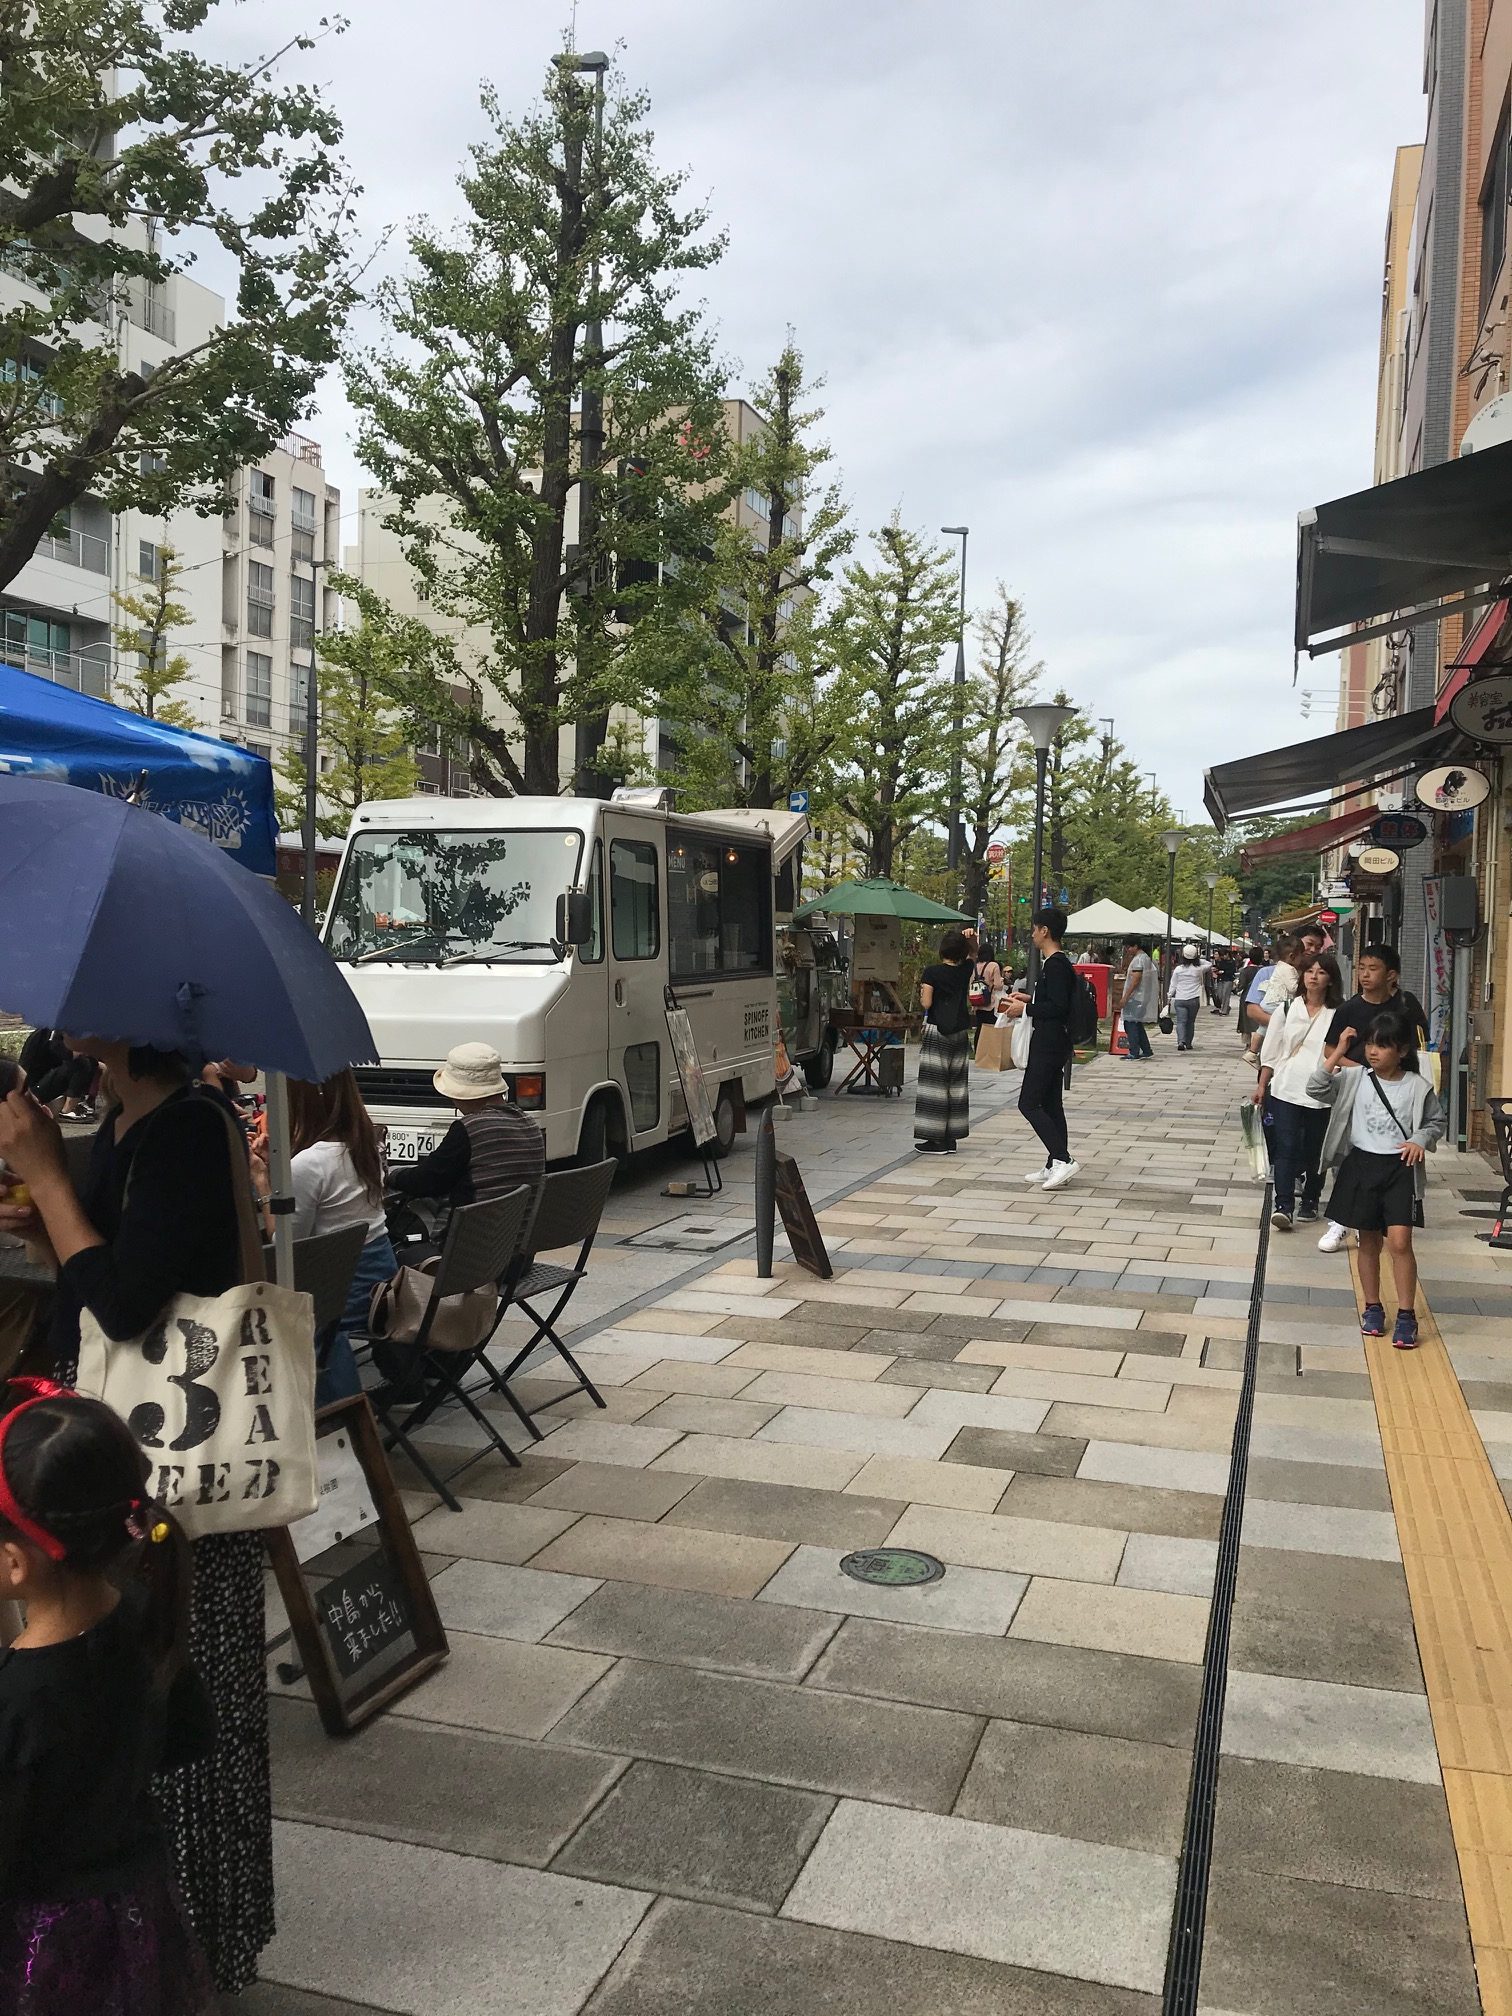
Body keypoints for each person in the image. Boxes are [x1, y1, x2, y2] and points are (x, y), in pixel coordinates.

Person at [0, 1042, 272, 1993]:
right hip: (136, 1449)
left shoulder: (188, 1127)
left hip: (183, 1467)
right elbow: (111, 1273)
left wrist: (46, 1174)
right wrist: (50, 1230)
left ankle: (190, 1942)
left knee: (180, 1702)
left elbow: (122, 1307)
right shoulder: (124, 1118)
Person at [0, 1380, 216, 2015]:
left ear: (16, 1564)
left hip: (48, 1942)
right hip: (138, 1905)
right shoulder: (145, 1614)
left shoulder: (19, 1698)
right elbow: (191, 1735)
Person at [251, 1070, 397, 1408]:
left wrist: (262, 1182)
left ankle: (324, 1410)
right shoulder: (365, 1146)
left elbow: (284, 1245)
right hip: (380, 1283)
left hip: (340, 1298)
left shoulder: (309, 1163)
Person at [1307, 1010, 1444, 1348]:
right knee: (1367, 1242)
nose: (1373, 1052)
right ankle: (1373, 1308)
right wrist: (1338, 1051)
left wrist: (1419, 1140)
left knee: (1399, 1242)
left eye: (1382, 1046)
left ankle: (1407, 1315)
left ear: (1401, 1051)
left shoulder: (1417, 1086)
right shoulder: (1354, 1079)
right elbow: (1316, 1088)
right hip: (1361, 1166)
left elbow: (1435, 1122)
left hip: (1400, 1168)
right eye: (1370, 1044)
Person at [1315, 943, 1430, 1255]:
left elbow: (1422, 1045)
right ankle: (1341, 1220)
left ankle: (1393, 1215)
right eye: (1362, 968)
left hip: (1400, 1089)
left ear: (1391, 974)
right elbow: (1329, 1051)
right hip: (1358, 1089)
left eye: (1373, 968)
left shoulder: (1406, 1006)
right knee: (1353, 1151)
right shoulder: (1349, 1009)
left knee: (1394, 1151)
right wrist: (1364, 1072)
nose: (1364, 974)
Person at [387, 1042, 546, 1221]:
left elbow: (428, 1180)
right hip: (515, 1235)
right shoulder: (528, 1123)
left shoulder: (470, 1129)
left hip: (473, 1239)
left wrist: (390, 1174)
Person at [1254, 952, 1344, 1231]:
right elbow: (1272, 1048)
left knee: (1316, 1149)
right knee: (1286, 1147)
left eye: (1320, 972)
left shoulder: (1339, 1012)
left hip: (1322, 1089)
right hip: (1286, 1086)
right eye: (1309, 971)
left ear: (1330, 979)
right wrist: (1261, 1084)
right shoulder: (1287, 1007)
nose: (1313, 976)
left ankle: (1311, 1198)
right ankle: (1284, 1206)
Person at [1005, 905, 1079, 1190]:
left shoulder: (1057, 964)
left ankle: (1063, 1158)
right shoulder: (1056, 964)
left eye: (1034, 929)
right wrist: (1028, 998)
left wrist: (1025, 1009)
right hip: (1053, 1041)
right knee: (1050, 1104)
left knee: (1029, 1103)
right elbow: (1054, 1001)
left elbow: (1058, 1007)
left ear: (1044, 931)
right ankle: (1054, 1162)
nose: (1032, 935)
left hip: (1049, 1042)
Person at [914, 929, 973, 1153]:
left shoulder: (932, 972)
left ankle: (935, 1139)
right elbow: (973, 956)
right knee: (956, 1085)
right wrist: (971, 940)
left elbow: (927, 1003)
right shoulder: (965, 970)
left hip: (937, 1031)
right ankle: (951, 1138)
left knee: (934, 1085)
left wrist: (922, 995)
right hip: (959, 1032)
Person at [1167, 943, 1212, 1051]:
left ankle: (1181, 1041)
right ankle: (1189, 1043)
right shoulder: (1199, 969)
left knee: (1181, 1021)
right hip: (1193, 999)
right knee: (1190, 1022)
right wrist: (1196, 959)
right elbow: (1209, 964)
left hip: (1180, 998)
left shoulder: (1178, 969)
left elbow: (1173, 984)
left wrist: (1169, 996)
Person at [1119, 935, 1157, 1060]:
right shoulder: (1146, 959)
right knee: (1137, 1023)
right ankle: (1146, 1049)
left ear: (1135, 946)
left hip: (1135, 997)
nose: (1127, 950)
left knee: (1130, 1023)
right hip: (1143, 997)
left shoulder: (1138, 960)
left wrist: (1125, 996)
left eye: (1128, 947)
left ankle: (1134, 1051)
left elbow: (1135, 980)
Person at [965, 933, 1007, 1032]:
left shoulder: (975, 966)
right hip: (989, 1003)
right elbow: (997, 986)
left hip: (977, 1002)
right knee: (989, 1029)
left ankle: (977, 1047)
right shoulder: (993, 965)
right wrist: (1001, 981)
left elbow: (971, 982)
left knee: (979, 1028)